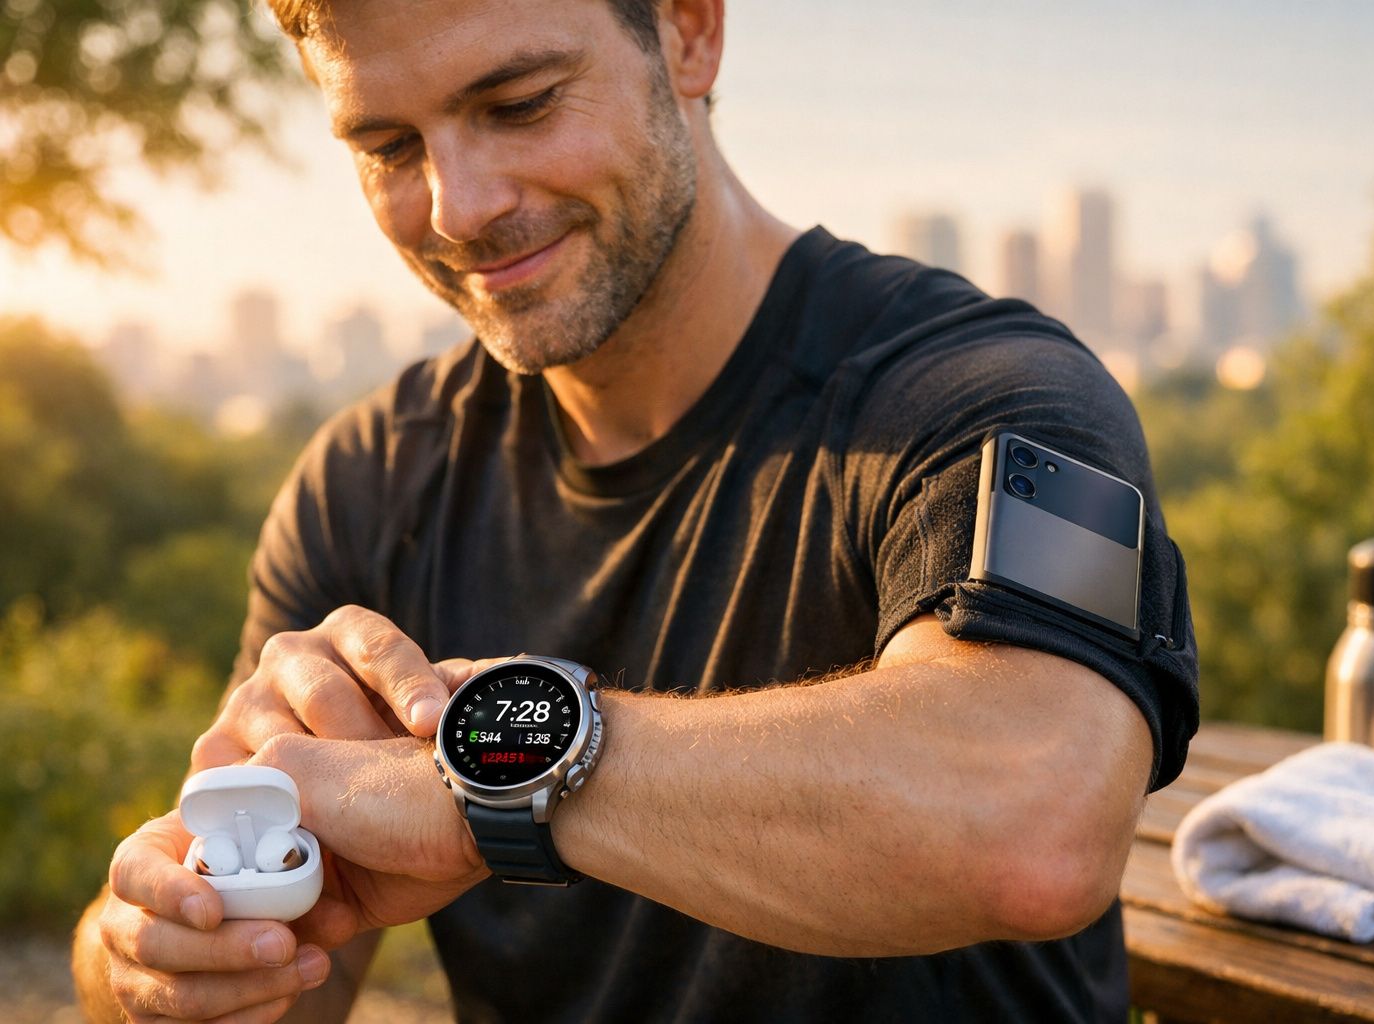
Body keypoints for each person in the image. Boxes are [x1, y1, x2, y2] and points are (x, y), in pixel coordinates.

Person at [71, 0, 1199, 1020]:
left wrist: (478, 776)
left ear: (690, 33)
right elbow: (266, 956)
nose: (458, 207)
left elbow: (1033, 819)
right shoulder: (367, 478)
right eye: (388, 146)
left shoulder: (996, 396)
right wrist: (166, 955)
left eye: (519, 104)